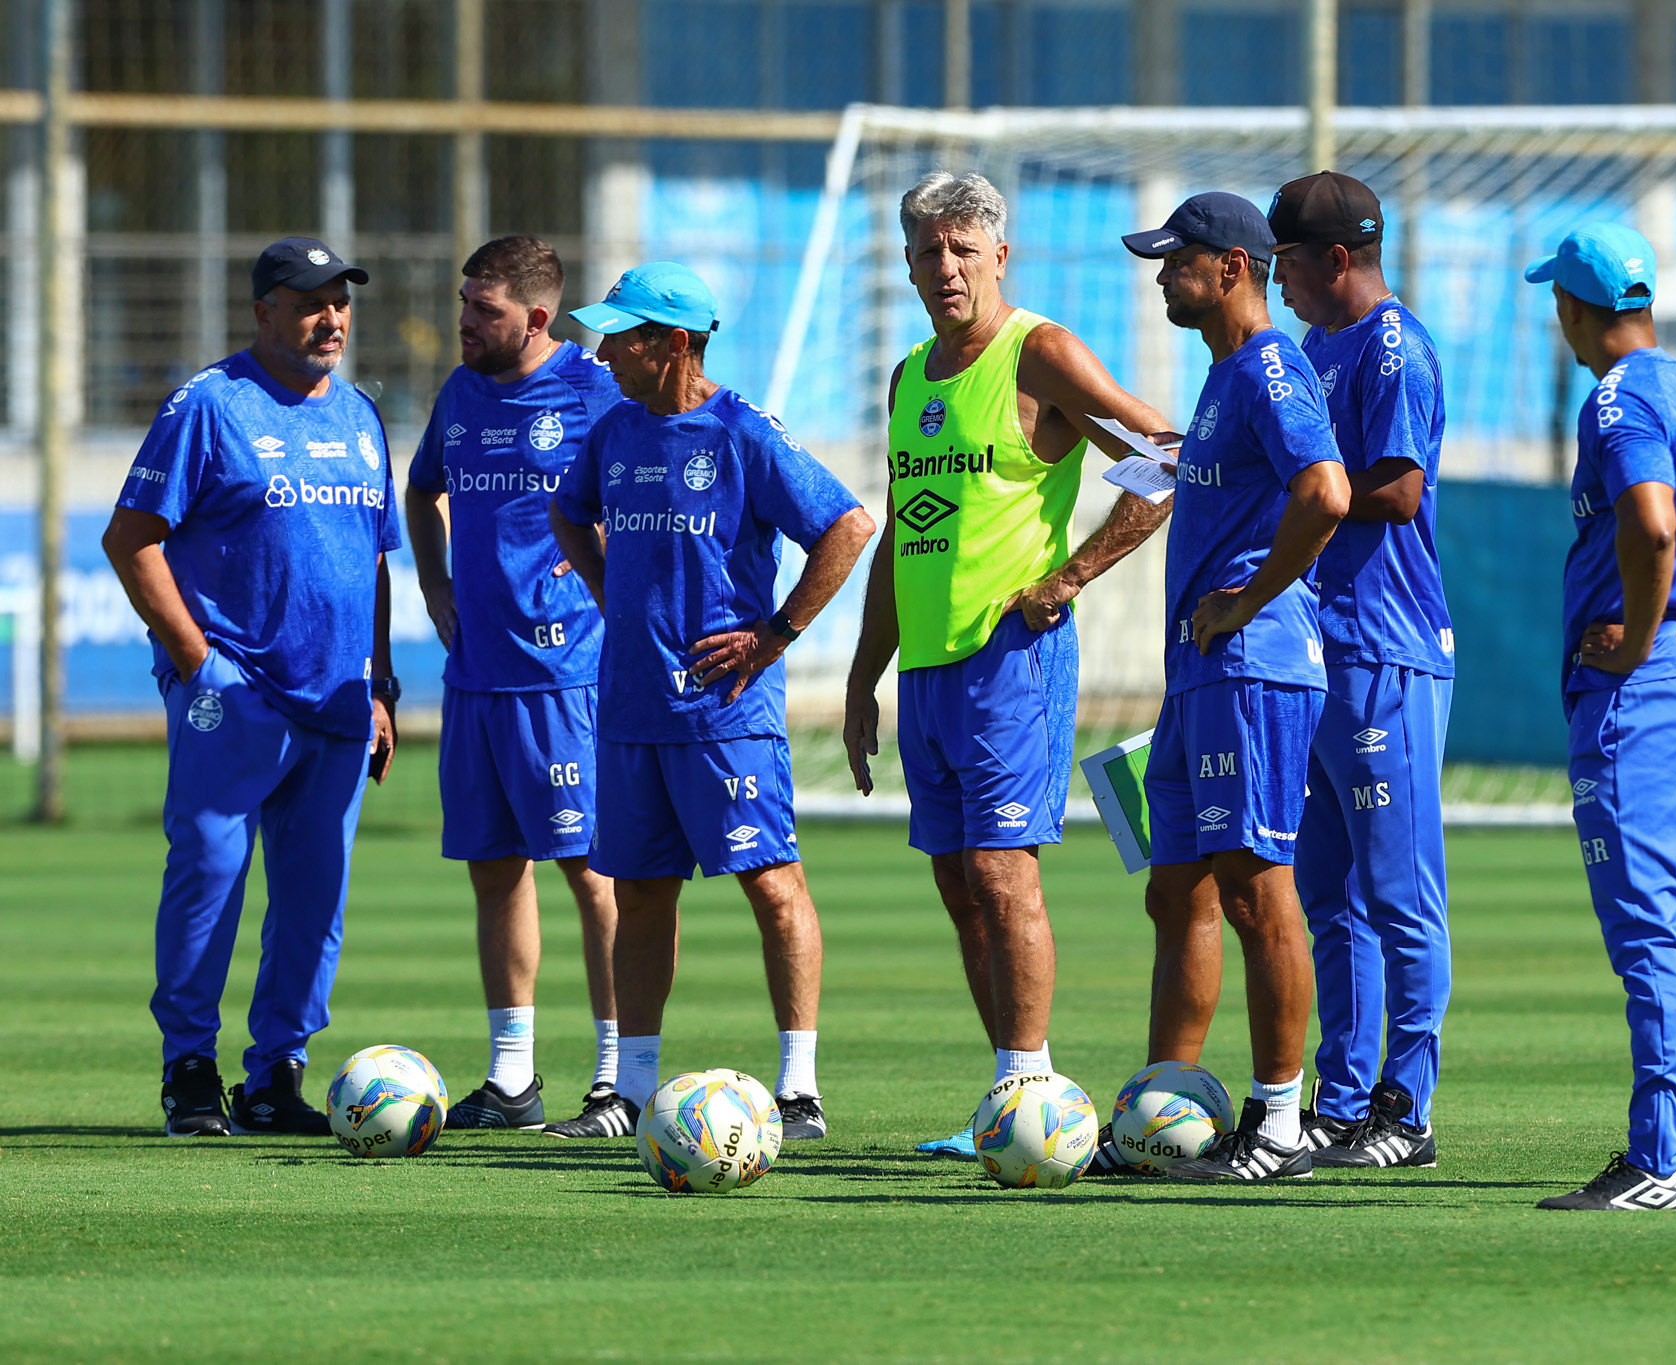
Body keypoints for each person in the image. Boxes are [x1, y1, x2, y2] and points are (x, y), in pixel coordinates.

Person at [841, 172, 1176, 1157]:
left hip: (1011, 664)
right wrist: (863, 675)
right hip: (925, 674)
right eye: (925, 253)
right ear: (906, 265)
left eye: (960, 250)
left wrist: (1069, 576)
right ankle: (1007, 1096)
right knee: (956, 882)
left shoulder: (1040, 352)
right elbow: (907, 531)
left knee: (1001, 870)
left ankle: (1031, 1090)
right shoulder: (910, 376)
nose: (943, 268)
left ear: (997, 255)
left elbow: (1160, 455)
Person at [550, 263, 874, 1139]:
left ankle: (799, 1089)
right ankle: (627, 1089)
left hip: (726, 715)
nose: (605, 349)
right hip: (628, 711)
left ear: (675, 343)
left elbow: (847, 526)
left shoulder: (741, 432)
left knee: (773, 886)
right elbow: (568, 513)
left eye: (621, 334)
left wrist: (775, 634)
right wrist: (611, 590)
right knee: (642, 893)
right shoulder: (614, 430)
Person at [103, 237, 400, 1137]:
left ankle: (277, 1073)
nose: (332, 316)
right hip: (234, 691)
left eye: (341, 299)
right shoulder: (209, 404)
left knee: (316, 897)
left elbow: (374, 563)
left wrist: (381, 683)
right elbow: (132, 539)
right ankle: (189, 1068)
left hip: (340, 701)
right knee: (211, 874)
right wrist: (198, 662)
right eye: (310, 299)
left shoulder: (359, 414)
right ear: (263, 309)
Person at [1118, 192, 1350, 1180]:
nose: (1162, 274)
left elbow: (1326, 491)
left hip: (1250, 663)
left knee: (1258, 890)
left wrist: (1248, 598)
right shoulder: (1221, 378)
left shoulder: (1266, 366)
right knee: (1174, 892)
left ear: (1232, 269)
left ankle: (1278, 1126)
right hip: (1200, 672)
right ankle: (1158, 1113)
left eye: (1178, 259)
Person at [1523, 225, 1676, 1211]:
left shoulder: (1616, 398)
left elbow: (1652, 524)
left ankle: (1655, 1159)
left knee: (1651, 932)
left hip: (1645, 691)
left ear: (1574, 308)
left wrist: (1640, 632)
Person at [405, 236, 630, 1136]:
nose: (464, 323)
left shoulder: (594, 393)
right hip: (477, 677)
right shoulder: (460, 394)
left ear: (537, 318)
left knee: (593, 874)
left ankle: (619, 1079)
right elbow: (421, 490)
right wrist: (433, 583)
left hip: (565, 676)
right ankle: (511, 1082)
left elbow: (640, 504)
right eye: (463, 304)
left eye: (482, 310)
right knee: (495, 872)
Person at [1267, 171, 1454, 1169]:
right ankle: (1339, 1101)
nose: (1277, 281)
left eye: (1285, 262)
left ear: (1334, 259)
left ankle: (1406, 1109)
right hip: (1319, 642)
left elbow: (1393, 490)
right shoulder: (1311, 347)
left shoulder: (1390, 345)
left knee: (1399, 889)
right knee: (1326, 892)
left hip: (1385, 644)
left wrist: (1302, 495)